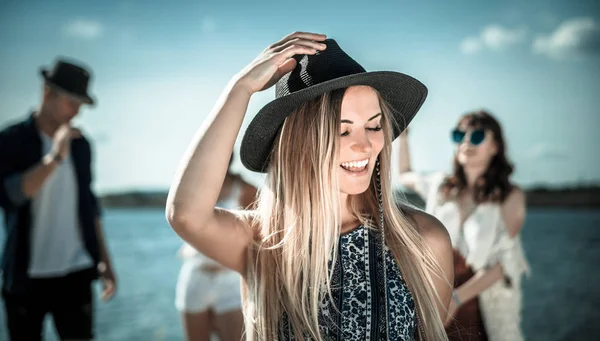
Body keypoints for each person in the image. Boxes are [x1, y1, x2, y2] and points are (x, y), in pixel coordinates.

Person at [166, 32, 454, 340]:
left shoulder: (423, 240)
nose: (365, 146)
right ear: (299, 143)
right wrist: (241, 88)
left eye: (373, 126)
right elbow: (186, 215)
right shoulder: (264, 242)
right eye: (342, 131)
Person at [0, 59, 117, 341]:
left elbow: (89, 205)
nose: (76, 112)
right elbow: (11, 196)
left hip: (76, 273)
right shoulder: (12, 139)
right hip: (25, 277)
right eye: (71, 102)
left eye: (81, 104)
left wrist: (105, 261)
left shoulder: (82, 145)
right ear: (47, 93)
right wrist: (55, 156)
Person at [398, 110, 531, 341]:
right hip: (431, 301)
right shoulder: (440, 186)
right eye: (460, 136)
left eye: (477, 136)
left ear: (495, 147)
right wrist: (404, 134)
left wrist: (456, 300)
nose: (467, 142)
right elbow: (404, 174)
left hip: (477, 308)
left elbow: (505, 263)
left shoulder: (510, 196)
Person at [175, 154, 257, 341]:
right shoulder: (193, 187)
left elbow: (260, 233)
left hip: (231, 280)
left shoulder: (244, 189)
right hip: (195, 276)